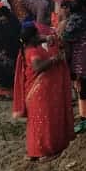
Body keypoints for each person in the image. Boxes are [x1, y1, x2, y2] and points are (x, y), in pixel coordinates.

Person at [11, 25, 74, 160]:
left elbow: (41, 40)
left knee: (36, 122)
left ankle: (35, 151)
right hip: (39, 92)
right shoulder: (33, 51)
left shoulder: (27, 47)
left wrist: (48, 38)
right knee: (45, 120)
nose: (40, 37)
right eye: (37, 35)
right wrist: (54, 59)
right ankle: (45, 152)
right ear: (33, 37)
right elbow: (38, 67)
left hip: (36, 92)